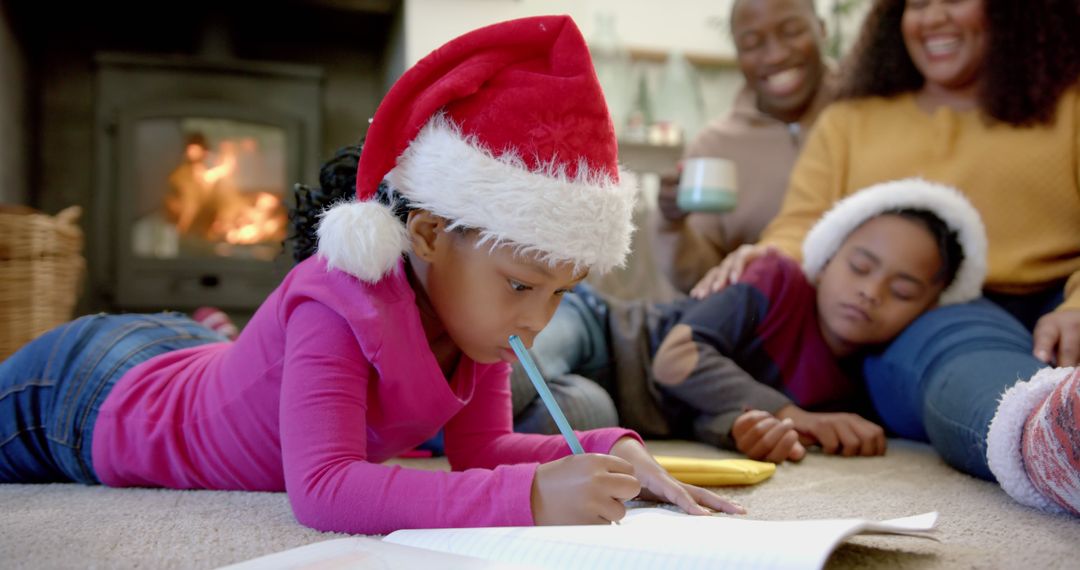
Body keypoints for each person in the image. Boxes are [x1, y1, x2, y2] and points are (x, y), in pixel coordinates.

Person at [0, 15, 745, 535]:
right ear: (426, 234)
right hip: (86, 396)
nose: (538, 320)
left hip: (173, 355)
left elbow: (481, 453)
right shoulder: (341, 299)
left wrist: (612, 448)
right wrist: (529, 498)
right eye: (522, 284)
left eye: (560, 293)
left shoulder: (476, 322)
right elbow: (322, 491)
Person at [688, 0, 1080, 515]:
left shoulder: (1069, 106)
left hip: (1062, 300)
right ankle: (1055, 440)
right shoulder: (850, 121)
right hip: (929, 315)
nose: (933, 17)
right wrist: (761, 258)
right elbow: (800, 224)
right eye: (917, 4)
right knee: (961, 354)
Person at [517, 179, 986, 464]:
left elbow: (710, 410)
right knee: (518, 364)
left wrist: (748, 432)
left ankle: (451, 426)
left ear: (927, 307)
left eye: (902, 291)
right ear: (825, 260)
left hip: (617, 406)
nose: (871, 291)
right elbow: (677, 359)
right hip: (601, 333)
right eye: (859, 267)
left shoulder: (856, 385)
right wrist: (790, 414)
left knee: (580, 423)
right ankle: (444, 404)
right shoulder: (776, 279)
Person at [652, 0, 835, 293]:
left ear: (822, 30)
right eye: (752, 44)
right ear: (737, 54)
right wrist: (672, 224)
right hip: (762, 323)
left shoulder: (862, 115)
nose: (775, 55)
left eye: (792, 31)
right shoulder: (715, 145)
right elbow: (699, 279)